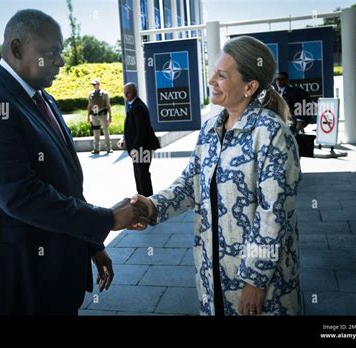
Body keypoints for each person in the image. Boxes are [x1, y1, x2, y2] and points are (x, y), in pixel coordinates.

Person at [0, 9, 148, 315]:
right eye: (51, 52)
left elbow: (65, 183)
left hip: (53, 273)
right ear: (17, 49)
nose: (60, 61)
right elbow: (22, 197)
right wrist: (107, 220)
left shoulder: (45, 100)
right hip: (15, 282)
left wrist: (92, 244)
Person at [131, 36, 301, 316]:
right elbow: (189, 184)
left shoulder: (271, 134)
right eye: (214, 73)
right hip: (213, 277)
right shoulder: (210, 129)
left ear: (250, 86)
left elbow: (274, 214)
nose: (211, 80)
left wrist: (255, 280)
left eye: (221, 75)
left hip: (260, 285)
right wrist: (152, 206)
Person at [117, 82, 160, 197]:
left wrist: (135, 149)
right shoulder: (134, 105)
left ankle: (146, 200)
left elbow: (141, 132)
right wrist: (124, 139)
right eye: (124, 93)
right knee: (139, 174)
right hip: (140, 148)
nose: (125, 95)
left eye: (128, 92)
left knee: (142, 175)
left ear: (134, 92)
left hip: (143, 148)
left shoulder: (138, 107)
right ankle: (143, 198)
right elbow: (131, 128)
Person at [87, 78, 112, 154]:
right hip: (94, 115)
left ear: (98, 85)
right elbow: (89, 106)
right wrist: (88, 116)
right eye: (93, 85)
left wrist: (110, 116)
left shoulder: (104, 93)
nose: (94, 86)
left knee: (106, 131)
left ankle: (108, 148)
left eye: (95, 84)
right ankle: (96, 149)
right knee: (96, 132)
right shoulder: (91, 94)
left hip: (103, 115)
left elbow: (108, 105)